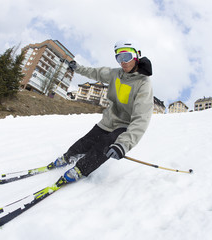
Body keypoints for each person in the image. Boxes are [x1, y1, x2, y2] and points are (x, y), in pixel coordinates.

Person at [48, 40, 154, 185]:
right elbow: (95, 72)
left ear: (137, 56)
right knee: (87, 141)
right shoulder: (115, 74)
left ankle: (80, 169)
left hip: (124, 125)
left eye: (127, 57)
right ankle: (69, 156)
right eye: (119, 58)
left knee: (106, 144)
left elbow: (141, 118)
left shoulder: (144, 84)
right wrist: (77, 68)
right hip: (108, 121)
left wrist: (123, 144)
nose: (123, 62)